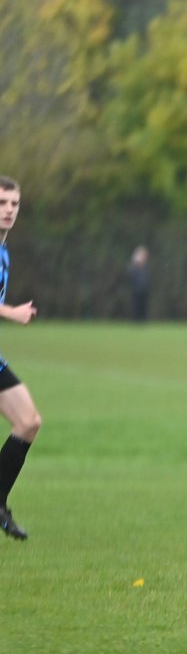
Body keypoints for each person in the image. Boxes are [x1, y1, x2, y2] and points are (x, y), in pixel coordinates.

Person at [0, 176, 42, 541]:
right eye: (2, 203)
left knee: (28, 422)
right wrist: (9, 311)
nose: (9, 210)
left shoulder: (3, 250)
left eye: (14, 203)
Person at [127, 245, 150, 322]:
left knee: (143, 307)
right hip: (136, 290)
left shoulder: (145, 266)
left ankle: (142, 320)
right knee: (136, 306)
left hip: (144, 290)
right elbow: (130, 276)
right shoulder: (134, 267)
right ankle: (136, 320)